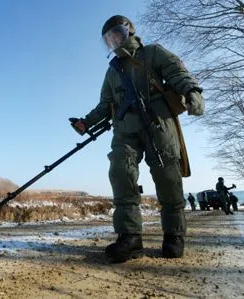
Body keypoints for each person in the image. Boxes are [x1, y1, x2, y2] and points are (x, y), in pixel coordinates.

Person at [69, 15, 204, 262]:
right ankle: (130, 237)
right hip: (125, 129)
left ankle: (174, 234)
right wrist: (86, 122)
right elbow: (105, 104)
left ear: (129, 32)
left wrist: (192, 91)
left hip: (158, 123)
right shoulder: (112, 71)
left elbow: (177, 72)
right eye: (109, 39)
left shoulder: (152, 53)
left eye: (117, 34)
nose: (114, 40)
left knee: (167, 176)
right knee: (120, 172)